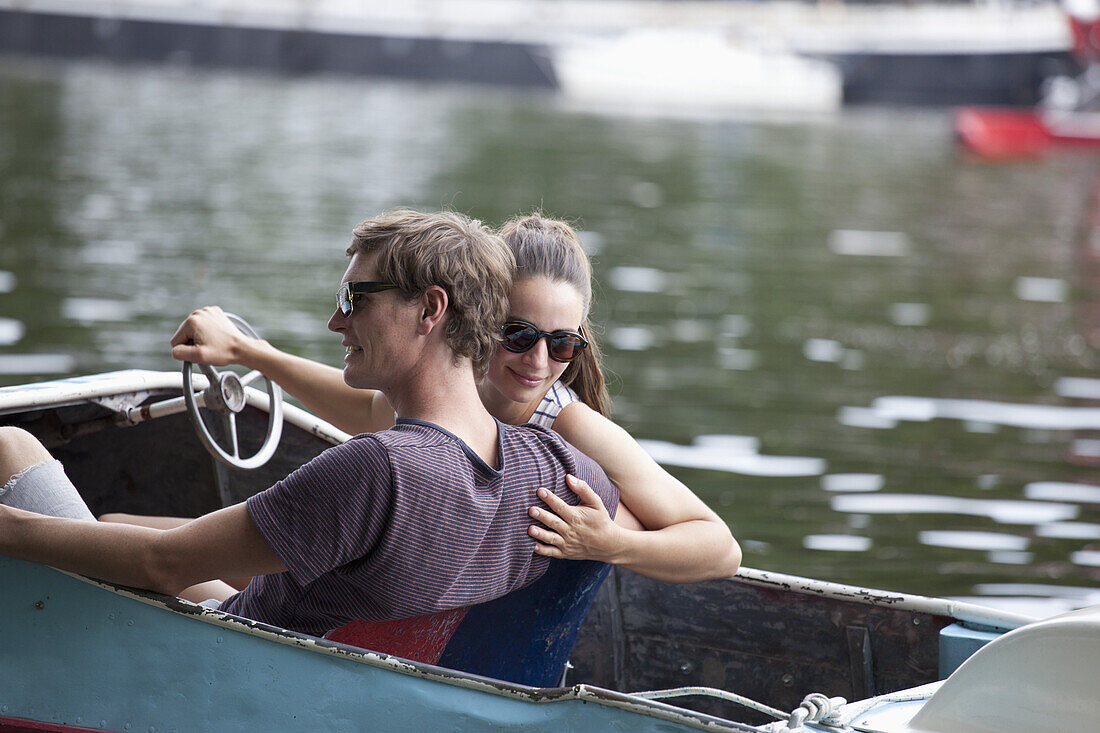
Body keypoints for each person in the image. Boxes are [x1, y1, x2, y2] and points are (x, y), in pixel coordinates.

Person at [0, 209, 620, 638]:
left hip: (234, 653)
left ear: (431, 309)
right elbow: (638, 516)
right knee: (113, 525)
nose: (336, 321)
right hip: (315, 650)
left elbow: (164, 565)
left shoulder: (378, 469)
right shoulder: (551, 471)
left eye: (356, 298)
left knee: (11, 447)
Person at [134, 214, 740, 583]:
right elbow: (363, 409)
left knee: (124, 533)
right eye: (518, 335)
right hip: (397, 584)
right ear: (477, 315)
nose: (536, 362)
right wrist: (247, 354)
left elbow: (720, 549)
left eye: (562, 346)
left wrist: (613, 545)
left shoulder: (576, 431)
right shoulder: (449, 396)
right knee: (131, 529)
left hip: (413, 602)